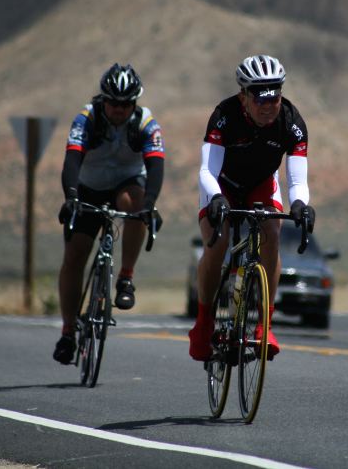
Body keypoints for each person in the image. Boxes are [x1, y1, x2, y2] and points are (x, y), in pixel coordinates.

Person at [188, 54, 316, 362]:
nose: (267, 106)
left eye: (274, 96)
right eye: (259, 98)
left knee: (272, 232)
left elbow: (297, 179)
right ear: (243, 96)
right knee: (217, 244)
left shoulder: (292, 123)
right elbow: (208, 170)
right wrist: (217, 198)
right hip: (222, 185)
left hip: (260, 184)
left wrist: (301, 204)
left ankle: (264, 325)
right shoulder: (224, 115)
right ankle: (204, 324)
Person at [52, 63, 165, 365]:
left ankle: (126, 278)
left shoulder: (145, 123)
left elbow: (155, 167)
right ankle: (67, 331)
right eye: (113, 103)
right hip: (88, 187)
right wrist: (71, 197)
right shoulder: (86, 119)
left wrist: (150, 203)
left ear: (135, 102)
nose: (118, 109)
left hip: (126, 184)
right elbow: (71, 161)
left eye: (126, 103)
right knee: (75, 255)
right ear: (103, 100)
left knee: (137, 202)